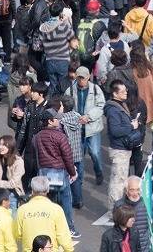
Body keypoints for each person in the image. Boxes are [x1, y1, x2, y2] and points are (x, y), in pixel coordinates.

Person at [32, 108, 79, 238]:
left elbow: (36, 154)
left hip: (44, 174)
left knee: (50, 202)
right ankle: (69, 228)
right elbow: (68, 157)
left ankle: (51, 228)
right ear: (50, 121)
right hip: (60, 173)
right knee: (66, 201)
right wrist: (72, 172)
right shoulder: (60, 136)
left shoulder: (37, 137)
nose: (59, 120)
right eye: (56, 118)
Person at [64, 66, 105, 190]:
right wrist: (75, 118)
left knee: (95, 152)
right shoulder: (70, 90)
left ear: (88, 77)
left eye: (83, 77)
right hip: (76, 129)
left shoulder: (96, 89)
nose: (81, 80)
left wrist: (89, 117)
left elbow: (101, 106)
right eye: (79, 77)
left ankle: (99, 172)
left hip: (92, 128)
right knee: (78, 156)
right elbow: (66, 106)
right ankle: (79, 181)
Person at [104, 79, 141, 210]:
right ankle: (115, 210)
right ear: (115, 93)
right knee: (118, 183)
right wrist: (131, 126)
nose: (126, 92)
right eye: (123, 91)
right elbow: (115, 130)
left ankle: (119, 208)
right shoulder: (113, 110)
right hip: (119, 150)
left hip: (123, 149)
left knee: (121, 180)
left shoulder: (119, 105)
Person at [14, 176, 73, 252]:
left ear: (32, 191)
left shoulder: (22, 210)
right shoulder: (56, 209)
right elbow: (63, 236)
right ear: (48, 190)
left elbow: (17, 234)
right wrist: (69, 250)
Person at [40, 2, 78, 95]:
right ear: (61, 12)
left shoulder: (42, 27)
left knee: (53, 86)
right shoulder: (64, 26)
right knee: (64, 86)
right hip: (63, 60)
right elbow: (73, 40)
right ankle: (63, 105)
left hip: (49, 60)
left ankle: (51, 104)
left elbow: (40, 43)